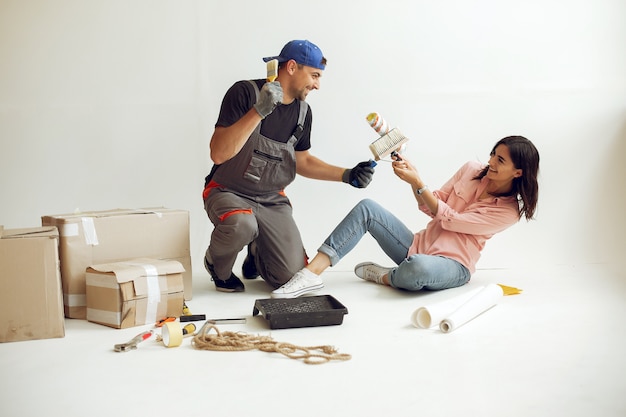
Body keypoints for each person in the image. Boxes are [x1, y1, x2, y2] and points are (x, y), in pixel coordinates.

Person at [203, 40, 376, 292]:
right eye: (314, 75)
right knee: (242, 224)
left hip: (271, 199)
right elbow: (218, 154)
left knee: (290, 278)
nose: (317, 84)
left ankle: (257, 250)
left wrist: (347, 175)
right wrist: (258, 112)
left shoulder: (303, 113)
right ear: (292, 67)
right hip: (228, 191)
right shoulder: (245, 93)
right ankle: (216, 265)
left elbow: (302, 161)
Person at [271, 135, 540, 298]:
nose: (491, 161)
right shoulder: (472, 169)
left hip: (452, 266)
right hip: (416, 246)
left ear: (518, 172)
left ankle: (386, 276)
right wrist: (412, 180)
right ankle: (310, 274)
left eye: (501, 161)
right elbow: (430, 207)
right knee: (367, 207)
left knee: (418, 269)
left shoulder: (508, 212)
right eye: (494, 154)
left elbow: (449, 219)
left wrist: (418, 181)